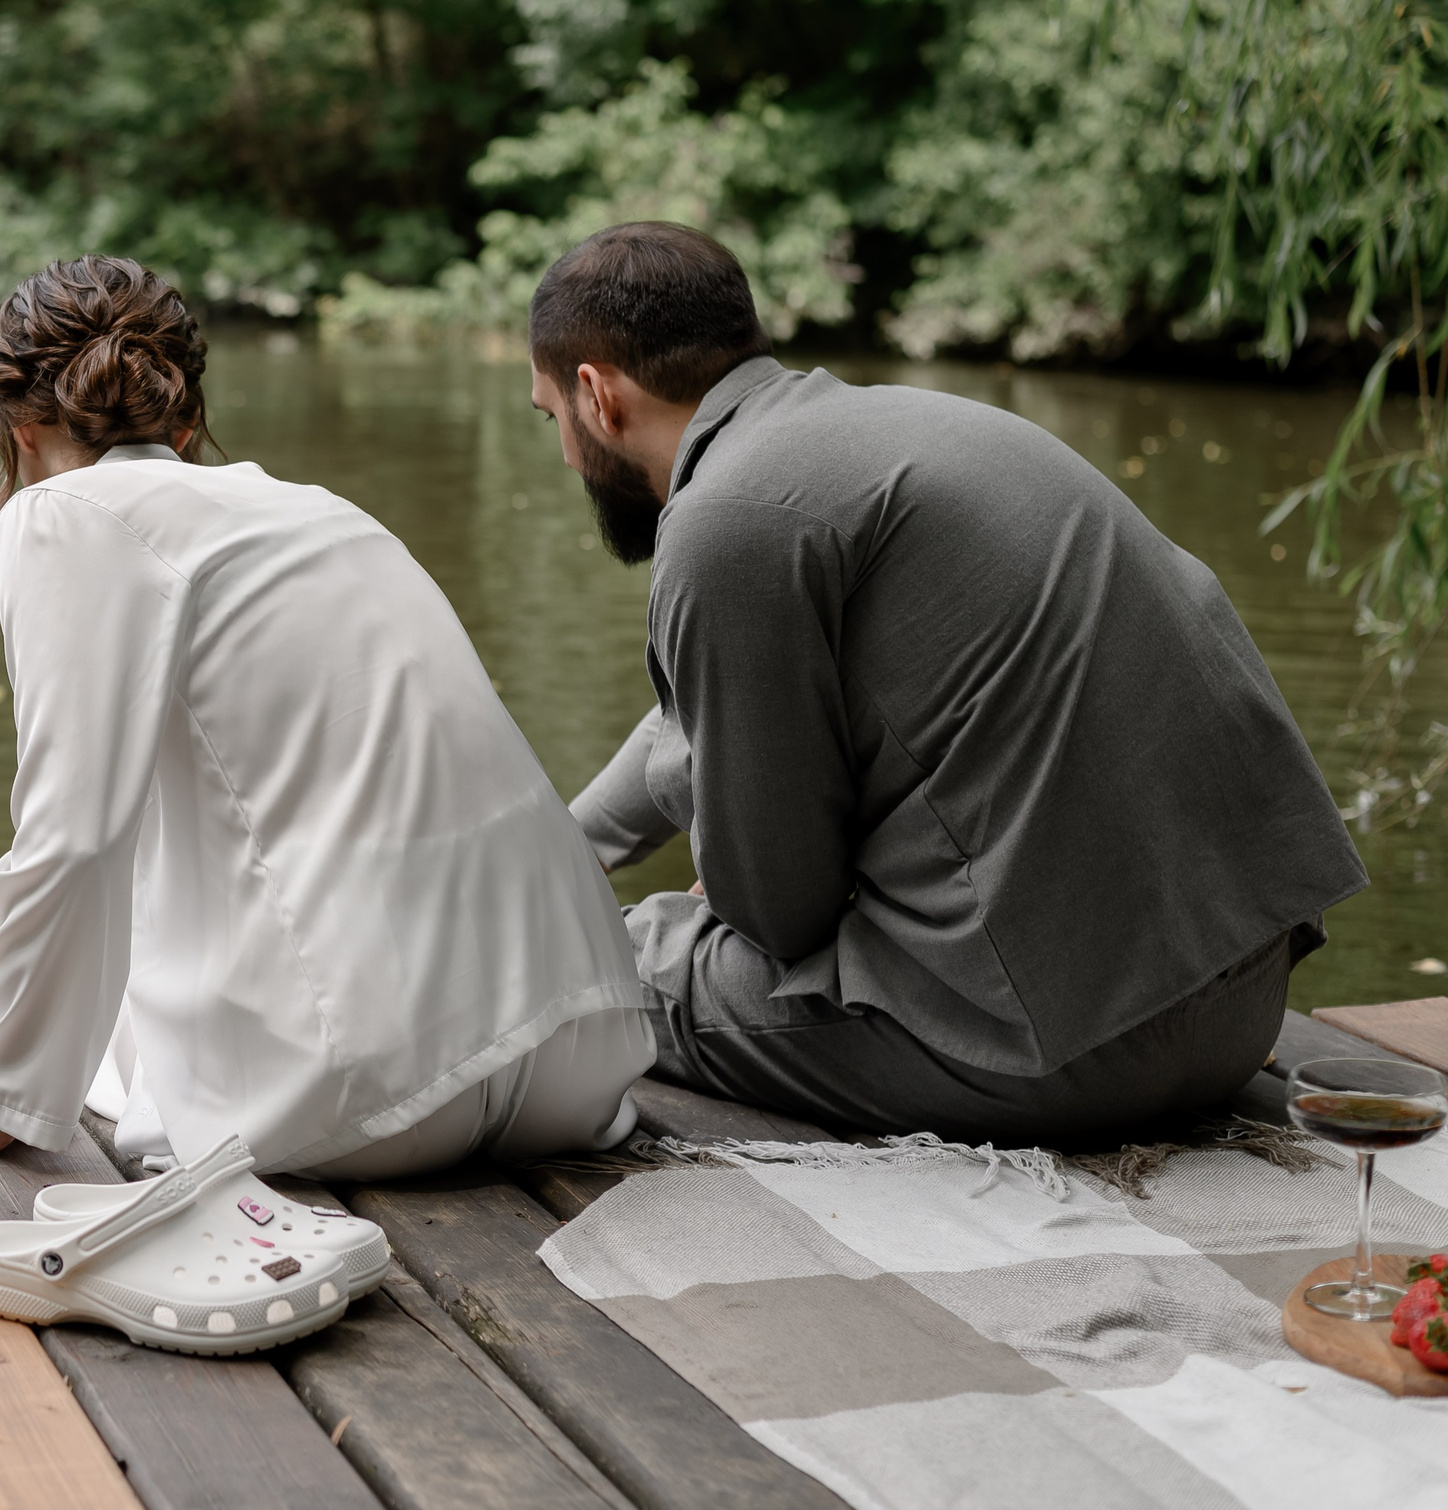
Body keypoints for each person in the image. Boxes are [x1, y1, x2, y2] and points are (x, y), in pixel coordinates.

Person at [536, 221, 1368, 1141]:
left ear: (596, 395)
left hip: (1063, 1055)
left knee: (582, 961)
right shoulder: (904, 431)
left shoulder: (722, 521)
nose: (567, 456)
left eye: (551, 422)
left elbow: (775, 918)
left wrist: (712, 866)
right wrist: (557, 848)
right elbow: (694, 720)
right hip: (1239, 1003)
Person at [0, 255, 653, 1177]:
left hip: (371, 1096)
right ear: (189, 418)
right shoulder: (318, 511)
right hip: (580, 1052)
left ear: (19, 423)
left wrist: (8, 1095)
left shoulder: (61, 512)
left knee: (123, 976)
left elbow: (72, 839)